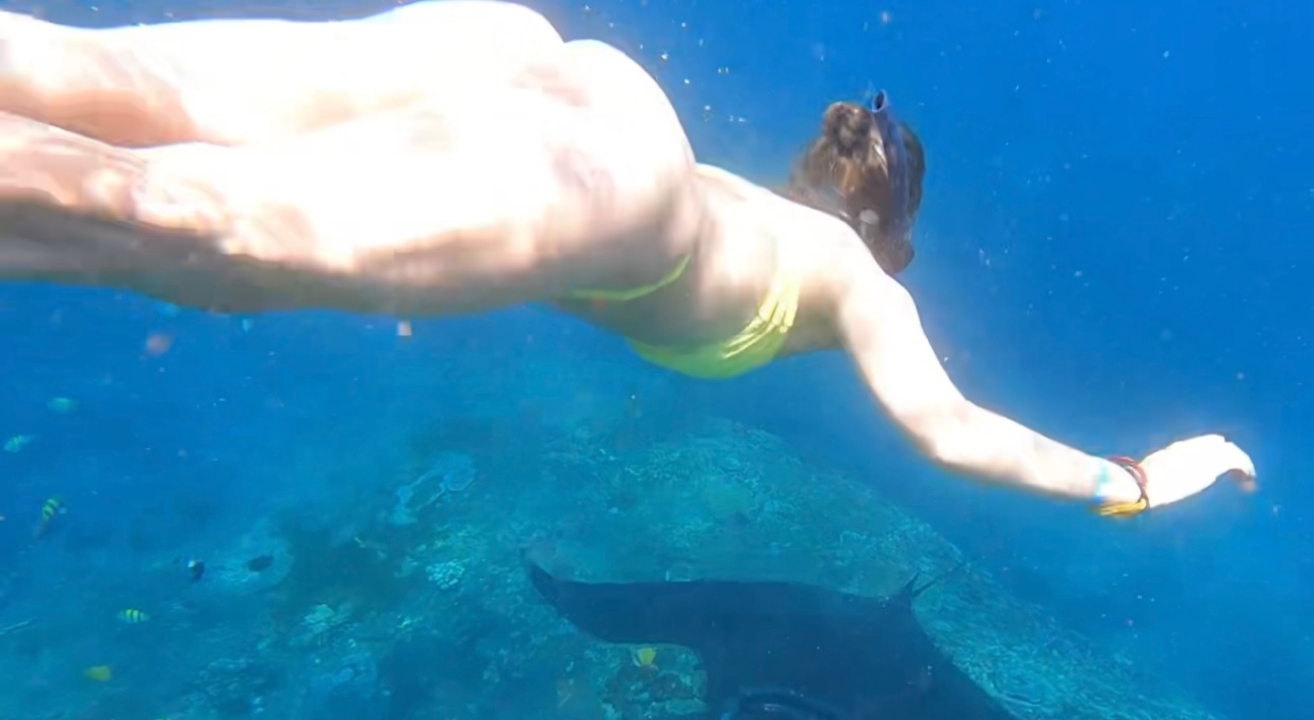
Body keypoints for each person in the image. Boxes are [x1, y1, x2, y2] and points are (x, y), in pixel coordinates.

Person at [0, 0, 1255, 516]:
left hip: (542, 56)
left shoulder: (761, 201)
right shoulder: (861, 285)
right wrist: (1131, 481)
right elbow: (951, 433)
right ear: (894, 232)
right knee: (170, 224)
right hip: (612, 198)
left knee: (112, 82)